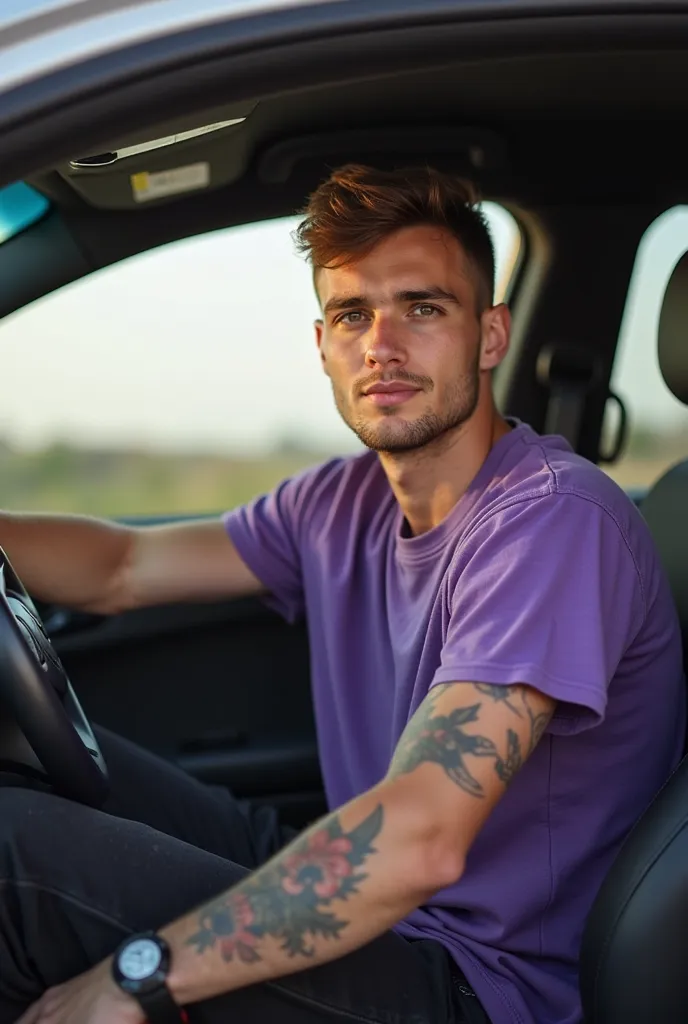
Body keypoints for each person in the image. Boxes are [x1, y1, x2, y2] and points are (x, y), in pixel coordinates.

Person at [0, 164, 684, 1024]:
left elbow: (418, 840)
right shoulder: (341, 500)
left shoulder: (553, 523)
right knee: (29, 750)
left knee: (12, 860)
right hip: (387, 912)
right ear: (321, 344)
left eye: (423, 309)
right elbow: (122, 569)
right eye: (354, 315)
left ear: (490, 335)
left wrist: (136, 975)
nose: (382, 346)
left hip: (478, 985)